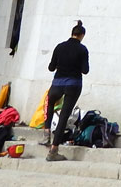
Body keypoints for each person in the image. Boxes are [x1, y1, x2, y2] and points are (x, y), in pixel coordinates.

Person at [43, 20, 89, 162]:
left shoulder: (60, 47)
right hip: (73, 84)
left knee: (50, 103)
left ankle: (46, 132)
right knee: (64, 115)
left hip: (57, 83)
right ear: (81, 35)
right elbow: (85, 70)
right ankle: (53, 151)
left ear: (72, 33)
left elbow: (51, 67)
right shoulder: (82, 49)